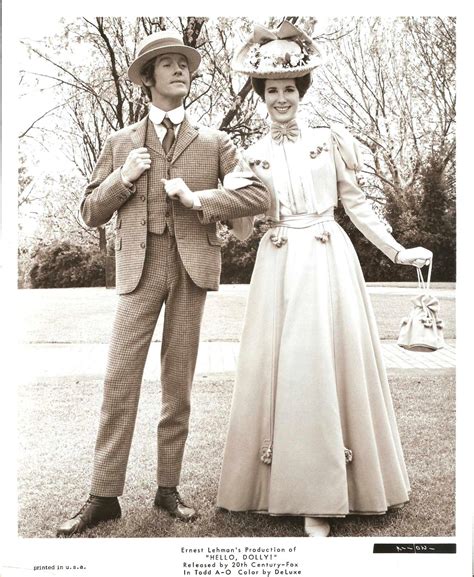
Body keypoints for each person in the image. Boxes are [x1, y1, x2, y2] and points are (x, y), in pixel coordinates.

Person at [216, 21, 432, 537]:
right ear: (260, 96)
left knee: (323, 365)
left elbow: (356, 205)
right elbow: (243, 226)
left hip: (326, 255)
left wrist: (398, 249)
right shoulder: (250, 156)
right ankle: (272, 487)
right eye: (272, 90)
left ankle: (328, 492)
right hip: (278, 261)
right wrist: (217, 204)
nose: (282, 98)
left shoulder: (329, 140)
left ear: (301, 90)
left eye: (289, 88)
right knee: (282, 368)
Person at [56, 29, 270, 537]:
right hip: (139, 271)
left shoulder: (216, 142)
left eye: (184, 63)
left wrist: (200, 199)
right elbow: (89, 212)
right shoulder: (120, 143)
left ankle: (167, 488)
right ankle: (104, 495)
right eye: (167, 64)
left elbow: (257, 195)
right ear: (147, 79)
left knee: (179, 385)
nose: (180, 69)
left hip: (193, 269)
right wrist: (124, 177)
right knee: (119, 382)